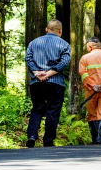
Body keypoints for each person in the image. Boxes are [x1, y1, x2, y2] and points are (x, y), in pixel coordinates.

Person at [24, 19, 70, 147]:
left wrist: (36, 73)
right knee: (53, 111)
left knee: (37, 109)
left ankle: (32, 136)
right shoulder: (64, 44)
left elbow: (28, 58)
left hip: (36, 82)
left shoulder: (34, 43)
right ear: (60, 31)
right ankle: (48, 141)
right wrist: (49, 74)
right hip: (56, 83)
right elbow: (64, 62)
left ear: (46, 29)